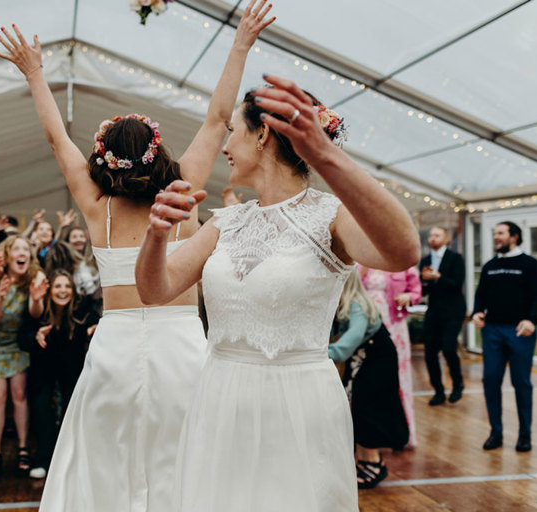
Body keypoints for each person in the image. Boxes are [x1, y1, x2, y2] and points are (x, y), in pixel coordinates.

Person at [0, 3, 274, 509]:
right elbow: (216, 118)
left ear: (104, 158)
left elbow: (57, 140)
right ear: (157, 150)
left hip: (116, 348)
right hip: (183, 345)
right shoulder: (183, 194)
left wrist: (35, 73)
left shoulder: (96, 207)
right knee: (185, 454)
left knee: (108, 456)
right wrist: (241, 43)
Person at [135, 74, 420, 510]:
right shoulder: (223, 224)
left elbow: (403, 251)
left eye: (233, 132)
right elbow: (155, 290)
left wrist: (325, 157)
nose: (226, 147)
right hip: (220, 396)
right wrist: (155, 235)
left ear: (263, 133)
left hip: (299, 404)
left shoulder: (330, 219)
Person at [329, 270, 409, 489]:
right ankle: (364, 461)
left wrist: (325, 353)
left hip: (377, 358)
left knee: (366, 409)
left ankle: (373, 463)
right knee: (357, 409)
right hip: (361, 358)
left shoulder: (356, 304)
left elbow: (352, 337)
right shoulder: (339, 303)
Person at [472, 221, 537, 452]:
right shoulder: (490, 266)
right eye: (495, 233)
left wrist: (531, 320)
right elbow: (480, 295)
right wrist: (477, 312)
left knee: (521, 382)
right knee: (490, 381)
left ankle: (525, 435)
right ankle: (496, 432)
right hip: (492, 331)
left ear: (514, 236)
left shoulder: (530, 265)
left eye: (501, 233)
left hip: (519, 331)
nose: (496, 237)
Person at [18, 269, 99, 479]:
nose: (63, 291)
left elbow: (97, 321)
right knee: (42, 412)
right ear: (50, 290)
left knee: (69, 416)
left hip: (71, 374)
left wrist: (97, 328)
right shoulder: (39, 312)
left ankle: (69, 462)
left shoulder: (81, 311)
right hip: (42, 375)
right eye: (58, 286)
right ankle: (42, 460)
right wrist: (35, 336)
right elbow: (22, 339)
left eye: (67, 286)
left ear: (72, 291)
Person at [0, 235, 47, 479]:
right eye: (16, 249)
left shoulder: (35, 278)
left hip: (18, 345)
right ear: (8, 255)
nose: (22, 253)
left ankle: (22, 449)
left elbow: (35, 314)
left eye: (26, 249)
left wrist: (37, 299)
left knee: (19, 395)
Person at [358, 264, 421, 447]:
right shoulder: (362, 266)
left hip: (394, 325)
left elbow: (416, 291)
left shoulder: (402, 265)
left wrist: (408, 297)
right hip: (367, 325)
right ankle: (373, 434)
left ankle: (402, 432)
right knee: (371, 379)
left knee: (399, 378)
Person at [420, 226, 466, 405]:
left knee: (448, 348)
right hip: (434, 311)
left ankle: (458, 384)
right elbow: (424, 289)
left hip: (453, 310)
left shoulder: (455, 258)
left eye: (437, 235)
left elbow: (457, 284)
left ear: (446, 239)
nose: (433, 238)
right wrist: (424, 280)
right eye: (431, 235)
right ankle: (438, 390)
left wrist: (438, 276)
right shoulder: (425, 260)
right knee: (430, 353)